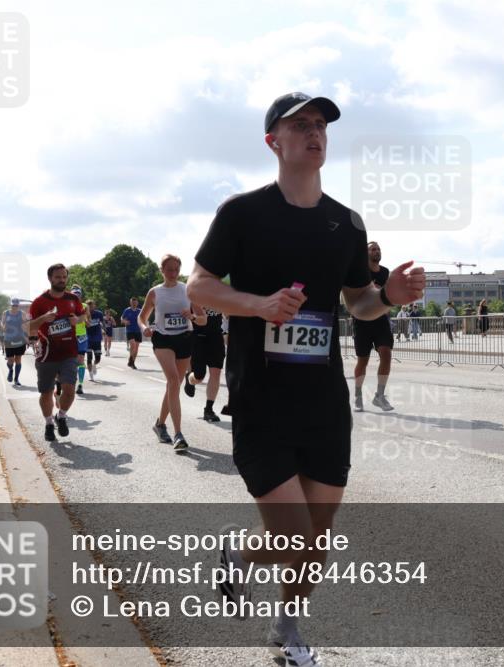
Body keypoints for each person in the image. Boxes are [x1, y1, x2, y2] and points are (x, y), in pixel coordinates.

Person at [185, 91, 425, 666]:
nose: (315, 133)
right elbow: (200, 287)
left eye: (321, 125)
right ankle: (241, 557)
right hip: (261, 397)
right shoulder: (242, 213)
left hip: (323, 401)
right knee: (291, 533)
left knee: (318, 534)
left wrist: (386, 297)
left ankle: (288, 627)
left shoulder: (345, 223)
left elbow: (360, 303)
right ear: (274, 141)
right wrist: (259, 304)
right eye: (301, 125)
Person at [139, 254, 194, 452]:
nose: (173, 273)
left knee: (175, 386)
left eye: (176, 270)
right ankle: (178, 434)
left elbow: (203, 319)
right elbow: (142, 317)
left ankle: (159, 424)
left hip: (184, 339)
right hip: (162, 339)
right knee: (172, 381)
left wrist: (192, 315)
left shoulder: (188, 289)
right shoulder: (155, 292)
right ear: (161, 270)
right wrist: (144, 327)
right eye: (169, 269)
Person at [27, 264, 86, 442]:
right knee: (46, 392)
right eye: (58, 277)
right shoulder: (39, 302)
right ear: (50, 279)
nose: (61, 280)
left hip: (69, 352)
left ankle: (61, 415)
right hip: (47, 354)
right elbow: (29, 327)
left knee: (69, 390)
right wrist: (44, 318)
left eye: (64, 277)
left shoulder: (72, 299)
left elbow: (83, 317)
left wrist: (77, 319)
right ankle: (48, 423)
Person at [351, 241, 395, 412]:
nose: (376, 251)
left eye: (378, 249)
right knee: (363, 360)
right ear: (366, 253)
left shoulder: (385, 272)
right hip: (361, 320)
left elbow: (389, 294)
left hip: (380, 319)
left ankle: (379, 395)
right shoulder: (358, 271)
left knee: (386, 354)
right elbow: (350, 294)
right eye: (373, 249)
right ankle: (358, 395)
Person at [183, 306, 226, 422]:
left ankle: (209, 409)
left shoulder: (220, 294)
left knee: (216, 373)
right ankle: (189, 378)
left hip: (216, 336)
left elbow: (227, 313)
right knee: (199, 377)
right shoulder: (195, 293)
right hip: (198, 337)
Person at [0, 298, 29, 387]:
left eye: (16, 305)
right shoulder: (6, 313)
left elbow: (26, 325)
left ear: (18, 306)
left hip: (20, 339)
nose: (14, 307)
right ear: (11, 305)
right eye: (13, 305)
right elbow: (2, 323)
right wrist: (3, 326)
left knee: (18, 359)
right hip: (8, 339)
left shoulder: (22, 314)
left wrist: (27, 337)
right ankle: (10, 370)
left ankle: (16, 379)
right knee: (10, 360)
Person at [69, 286, 90, 396]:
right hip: (70, 336)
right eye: (74, 295)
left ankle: (80, 385)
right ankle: (69, 383)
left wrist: (86, 321)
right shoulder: (67, 306)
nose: (76, 297)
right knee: (70, 361)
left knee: (81, 360)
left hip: (81, 335)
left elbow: (88, 321)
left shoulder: (85, 306)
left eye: (78, 295)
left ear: (81, 296)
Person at [84, 299, 105, 381]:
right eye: (89, 306)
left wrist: (104, 329)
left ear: (94, 306)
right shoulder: (84, 314)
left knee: (98, 358)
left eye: (92, 306)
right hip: (87, 338)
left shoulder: (99, 313)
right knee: (89, 357)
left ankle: (94, 365)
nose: (91, 308)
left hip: (97, 338)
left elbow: (102, 322)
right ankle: (90, 375)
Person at [121, 297, 143, 368]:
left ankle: (132, 362)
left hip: (138, 331)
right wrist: (125, 321)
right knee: (133, 345)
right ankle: (131, 361)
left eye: (135, 302)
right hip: (130, 330)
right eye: (132, 303)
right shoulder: (127, 310)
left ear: (137, 303)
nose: (134, 304)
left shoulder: (140, 311)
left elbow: (144, 318)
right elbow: (122, 318)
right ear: (130, 303)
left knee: (136, 348)